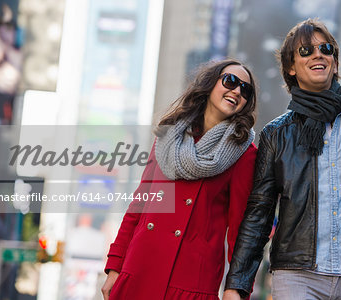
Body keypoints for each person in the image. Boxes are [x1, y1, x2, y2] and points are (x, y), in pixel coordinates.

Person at [223, 19, 341, 300]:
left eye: (326, 48)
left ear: (335, 62)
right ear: (291, 68)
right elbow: (259, 213)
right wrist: (237, 284)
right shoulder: (276, 134)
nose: (318, 54)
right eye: (306, 50)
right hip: (296, 277)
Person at [101, 59, 258, 300]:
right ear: (210, 84)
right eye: (230, 81)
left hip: (191, 282)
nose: (237, 91)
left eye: (245, 90)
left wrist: (236, 289)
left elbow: (240, 231)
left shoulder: (243, 152)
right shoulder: (168, 136)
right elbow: (139, 206)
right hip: (140, 268)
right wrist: (115, 266)